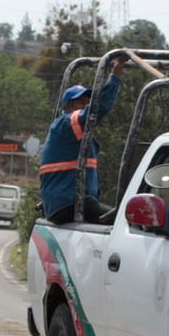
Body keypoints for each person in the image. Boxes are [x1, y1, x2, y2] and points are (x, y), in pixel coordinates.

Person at [39, 71, 122, 224]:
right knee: (121, 222)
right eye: (81, 103)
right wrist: (116, 74)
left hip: (71, 202)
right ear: (68, 105)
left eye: (87, 102)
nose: (86, 106)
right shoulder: (67, 123)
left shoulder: (71, 132)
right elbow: (97, 109)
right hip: (68, 203)